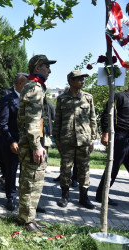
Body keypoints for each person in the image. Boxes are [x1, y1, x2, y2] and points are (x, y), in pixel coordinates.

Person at [17, 54, 56, 233]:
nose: (49, 70)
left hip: (36, 142)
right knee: (30, 182)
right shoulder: (34, 88)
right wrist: (36, 145)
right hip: (34, 143)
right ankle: (27, 220)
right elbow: (33, 120)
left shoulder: (35, 86)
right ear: (37, 67)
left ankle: (29, 217)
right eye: (47, 66)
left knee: (35, 181)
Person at [53, 70, 97, 209]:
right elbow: (57, 120)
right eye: (79, 79)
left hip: (84, 140)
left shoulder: (88, 98)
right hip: (67, 140)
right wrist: (57, 140)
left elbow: (93, 118)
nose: (82, 81)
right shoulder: (62, 99)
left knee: (84, 169)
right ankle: (64, 196)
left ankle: (84, 197)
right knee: (65, 169)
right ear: (71, 81)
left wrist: (92, 139)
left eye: (83, 79)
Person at [0, 73, 28, 211]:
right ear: (20, 83)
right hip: (12, 142)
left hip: (28, 142)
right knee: (11, 170)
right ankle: (10, 197)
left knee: (27, 171)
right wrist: (11, 141)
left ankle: (27, 199)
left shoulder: (31, 99)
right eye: (27, 83)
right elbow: (2, 123)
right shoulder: (7, 99)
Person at [95, 85, 129, 206]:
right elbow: (106, 115)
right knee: (113, 168)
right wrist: (105, 134)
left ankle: (101, 194)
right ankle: (101, 195)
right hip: (119, 137)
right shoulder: (119, 97)